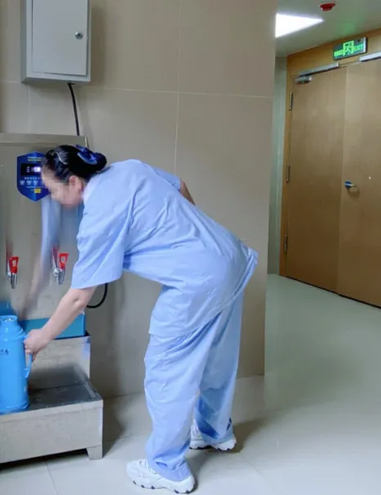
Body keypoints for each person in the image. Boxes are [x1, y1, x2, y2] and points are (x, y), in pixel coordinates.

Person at [22, 144, 257, 493]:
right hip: (227, 255)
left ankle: (166, 467)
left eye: (53, 191)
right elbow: (179, 185)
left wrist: (41, 338)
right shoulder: (128, 168)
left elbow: (79, 297)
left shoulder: (98, 216)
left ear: (74, 182)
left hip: (198, 280)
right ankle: (214, 431)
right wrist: (190, 243)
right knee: (219, 356)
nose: (52, 198)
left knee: (166, 369)